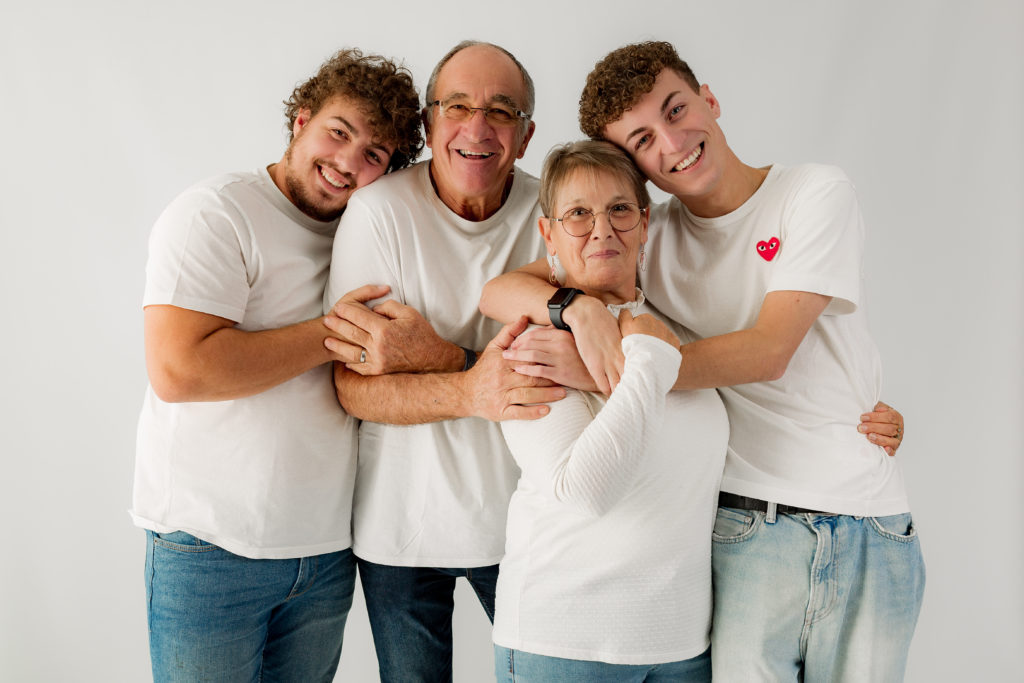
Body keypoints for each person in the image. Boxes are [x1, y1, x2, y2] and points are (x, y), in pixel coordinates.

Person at [481, 41, 923, 682]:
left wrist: (624, 365)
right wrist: (579, 314)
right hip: (747, 521)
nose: (672, 140)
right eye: (643, 139)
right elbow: (501, 290)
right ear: (637, 167)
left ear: (709, 99)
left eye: (677, 109)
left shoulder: (811, 192)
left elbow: (771, 351)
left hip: (869, 512)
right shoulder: (644, 235)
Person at [132, 49, 423, 682]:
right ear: (301, 118)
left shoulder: (368, 235)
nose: (348, 162)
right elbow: (179, 370)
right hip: (209, 549)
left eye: (374, 154)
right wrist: (331, 335)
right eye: (339, 133)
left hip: (322, 554)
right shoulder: (217, 213)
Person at [321, 41, 562, 682]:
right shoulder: (378, 214)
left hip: (528, 528)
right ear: (428, 124)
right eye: (457, 106)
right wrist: (472, 389)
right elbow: (353, 389)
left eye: (502, 112)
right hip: (399, 531)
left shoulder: (556, 215)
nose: (477, 129)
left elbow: (566, 374)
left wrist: (434, 358)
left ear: (528, 133)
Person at [492, 139, 726, 682]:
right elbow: (585, 491)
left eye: (619, 209)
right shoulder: (531, 345)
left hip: (682, 645)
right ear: (548, 234)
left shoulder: (674, 328)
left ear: (645, 223)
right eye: (578, 214)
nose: (602, 229)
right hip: (566, 646)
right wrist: (644, 358)